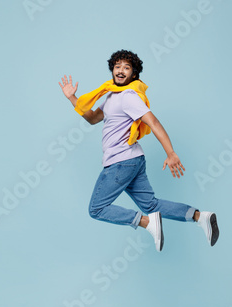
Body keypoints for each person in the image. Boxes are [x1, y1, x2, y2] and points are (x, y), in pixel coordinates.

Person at [58, 49, 219, 252]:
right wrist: (72, 98)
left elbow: (153, 121)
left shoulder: (128, 97)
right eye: (118, 67)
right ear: (112, 70)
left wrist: (171, 153)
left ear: (133, 74)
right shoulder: (111, 97)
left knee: (96, 209)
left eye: (127, 67)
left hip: (120, 162)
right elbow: (92, 118)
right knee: (151, 205)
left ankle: (145, 223)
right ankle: (200, 216)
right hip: (133, 160)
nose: (121, 70)